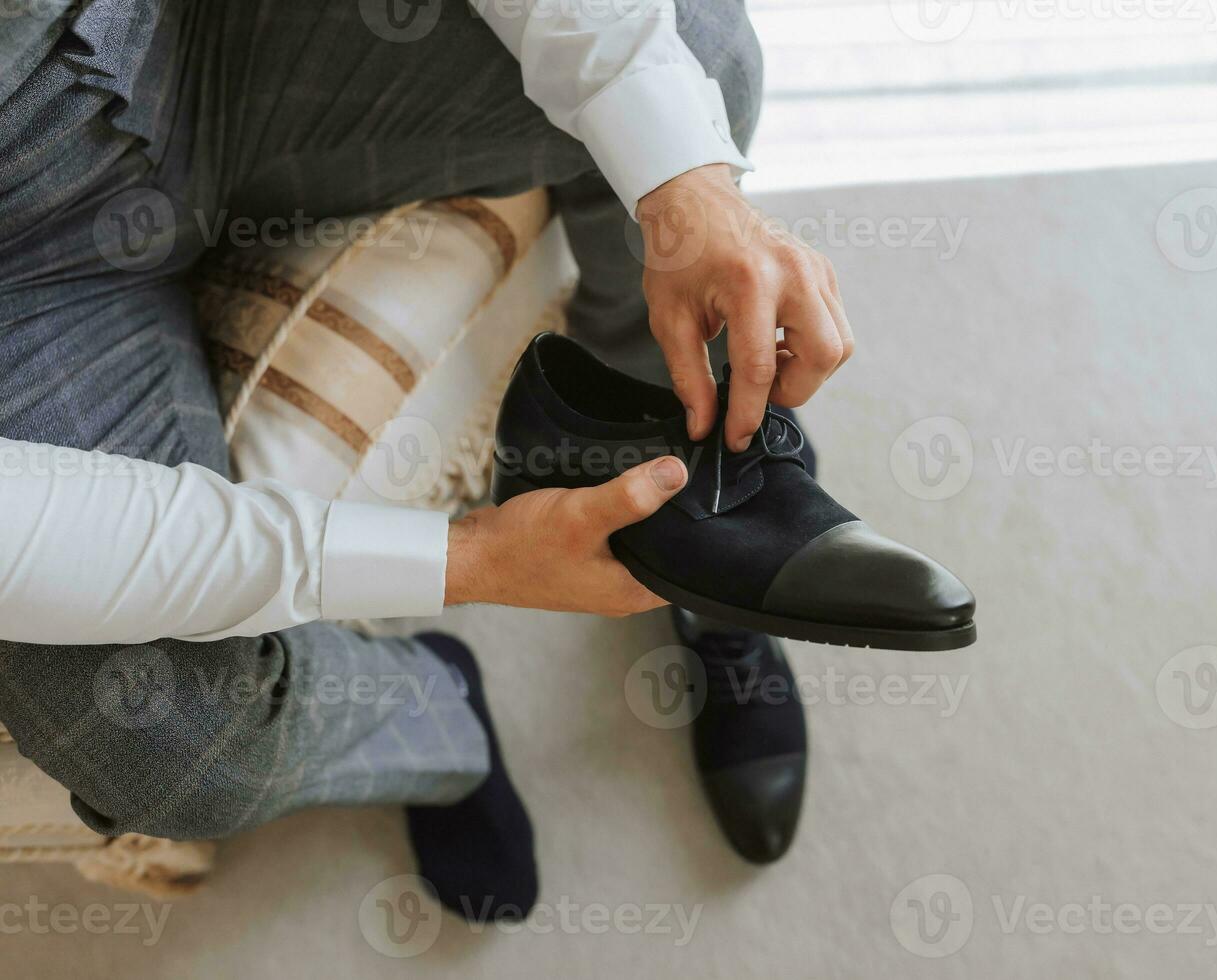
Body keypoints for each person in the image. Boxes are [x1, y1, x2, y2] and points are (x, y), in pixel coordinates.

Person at [0, 0, 853, 920]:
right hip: (23, 288)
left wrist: (687, 182)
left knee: (695, 50)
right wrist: (466, 559)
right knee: (168, 742)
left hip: (166, 35)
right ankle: (433, 703)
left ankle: (669, 485)